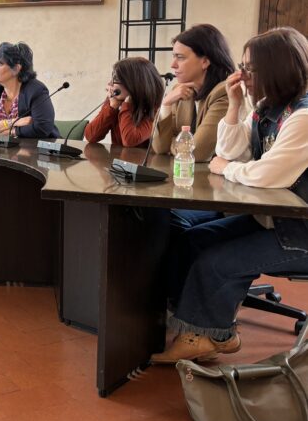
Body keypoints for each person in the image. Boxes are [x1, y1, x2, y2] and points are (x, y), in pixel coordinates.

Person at [151, 27, 308, 364]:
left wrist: (225, 168)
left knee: (216, 263)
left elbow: (265, 175)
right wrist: (235, 107)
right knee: (192, 240)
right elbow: (231, 150)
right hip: (274, 221)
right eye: (242, 66)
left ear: (275, 69)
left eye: (249, 68)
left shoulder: (303, 117)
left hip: (300, 233)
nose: (242, 75)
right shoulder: (267, 108)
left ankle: (208, 336)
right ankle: (191, 322)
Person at [152, 24, 235, 161]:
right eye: (174, 56)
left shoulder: (225, 92)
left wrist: (172, 145)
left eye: (180, 57)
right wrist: (166, 104)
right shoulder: (180, 91)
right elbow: (159, 147)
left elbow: (196, 152)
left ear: (205, 61)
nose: (173, 65)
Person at [0, 41, 60, 138]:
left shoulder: (36, 90)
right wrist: (14, 122)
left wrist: (10, 132)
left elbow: (42, 128)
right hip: (2, 147)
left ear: (16, 68)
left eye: (0, 63)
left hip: (36, 146)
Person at [84, 57, 164, 147]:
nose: (110, 84)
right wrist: (111, 108)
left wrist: (127, 106)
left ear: (134, 84)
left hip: (143, 156)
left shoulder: (156, 108)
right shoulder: (115, 101)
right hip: (119, 156)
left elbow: (130, 140)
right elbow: (91, 136)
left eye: (116, 79)